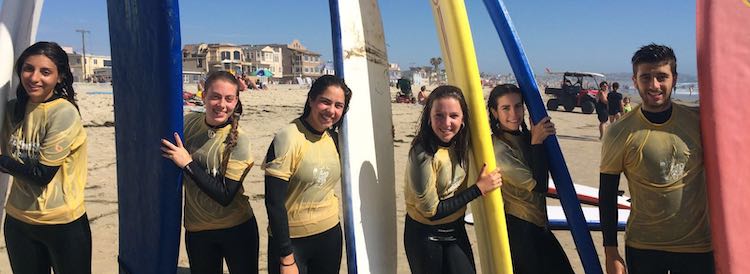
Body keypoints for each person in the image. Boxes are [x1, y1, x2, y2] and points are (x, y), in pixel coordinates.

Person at [599, 44, 713, 274]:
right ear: (634, 80)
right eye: (646, 77)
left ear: (674, 79)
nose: (654, 85)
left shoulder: (700, 121)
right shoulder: (619, 131)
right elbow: (608, 193)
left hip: (698, 246)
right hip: (644, 247)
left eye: (662, 77)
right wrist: (611, 252)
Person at [0, 41, 90, 273]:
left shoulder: (64, 112)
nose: (34, 77)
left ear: (60, 77)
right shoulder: (11, 110)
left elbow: (41, 175)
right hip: (17, 221)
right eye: (28, 68)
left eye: (45, 72)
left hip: (62, 223)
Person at [161, 70, 258, 273]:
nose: (222, 105)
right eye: (215, 97)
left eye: (229, 99)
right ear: (203, 96)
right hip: (197, 230)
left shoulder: (240, 140)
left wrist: (188, 163)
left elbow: (224, 195)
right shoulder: (189, 124)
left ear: (236, 100)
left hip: (237, 229)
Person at [404, 85, 502, 274]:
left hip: (456, 229)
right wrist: (478, 189)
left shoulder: (462, 142)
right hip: (425, 234)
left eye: (454, 116)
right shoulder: (422, 153)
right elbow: (431, 211)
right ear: (429, 117)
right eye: (439, 115)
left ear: (463, 118)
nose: (446, 123)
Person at [263, 74, 352, 274]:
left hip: (330, 235)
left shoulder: (335, 139)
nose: (331, 110)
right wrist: (286, 257)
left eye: (338, 105)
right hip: (292, 241)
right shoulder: (288, 137)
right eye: (325, 102)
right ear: (311, 100)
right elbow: (273, 203)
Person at [487, 84, 574, 274]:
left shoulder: (526, 137)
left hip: (540, 225)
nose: (514, 114)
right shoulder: (498, 148)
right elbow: (539, 186)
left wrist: (540, 139)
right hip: (520, 229)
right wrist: (537, 142)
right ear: (495, 113)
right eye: (506, 108)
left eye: (518, 106)